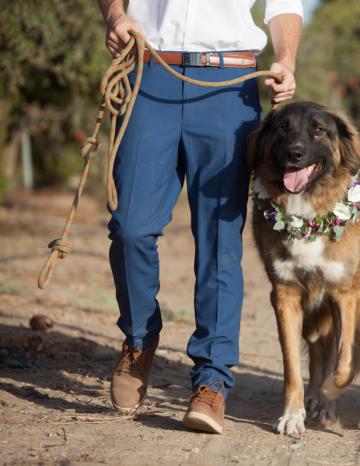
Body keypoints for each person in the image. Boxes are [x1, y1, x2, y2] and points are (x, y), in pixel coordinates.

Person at [96, 0, 303, 434]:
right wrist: (115, 15)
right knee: (130, 227)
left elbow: (285, 5)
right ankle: (139, 338)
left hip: (230, 84)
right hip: (150, 73)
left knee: (219, 240)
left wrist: (285, 60)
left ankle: (212, 379)